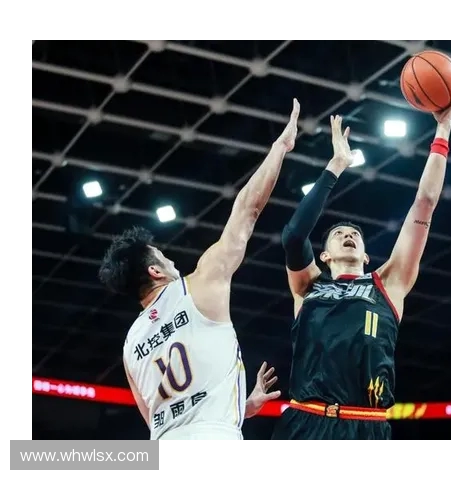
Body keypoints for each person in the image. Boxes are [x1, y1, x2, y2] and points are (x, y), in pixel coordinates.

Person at [272, 79, 451, 440]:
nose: (348, 235)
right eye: (338, 234)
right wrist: (336, 165)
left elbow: (425, 203)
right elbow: (294, 235)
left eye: (355, 235)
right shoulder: (308, 286)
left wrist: (443, 128)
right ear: (324, 255)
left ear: (365, 254)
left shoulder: (389, 282)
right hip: (305, 420)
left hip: (366, 424)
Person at [98, 99, 301, 440]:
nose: (173, 262)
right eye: (164, 257)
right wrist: (280, 147)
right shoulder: (198, 285)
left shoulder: (131, 345)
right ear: (155, 272)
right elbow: (247, 210)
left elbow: (158, 421)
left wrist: (240, 408)